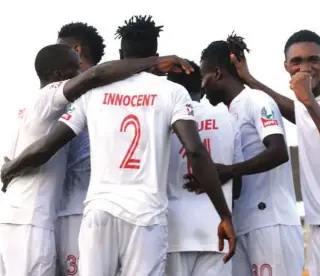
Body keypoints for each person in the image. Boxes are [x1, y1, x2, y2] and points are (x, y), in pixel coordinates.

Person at [2, 15, 236, 276]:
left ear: (121, 53)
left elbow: (49, 145)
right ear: (155, 54)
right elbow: (195, 151)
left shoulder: (92, 93)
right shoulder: (172, 92)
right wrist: (224, 214)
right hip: (146, 216)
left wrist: (10, 168)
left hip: (99, 213)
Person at [230, 29, 320, 276]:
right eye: (297, 61)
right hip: (317, 226)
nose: (306, 67)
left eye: (313, 59)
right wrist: (249, 79)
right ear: (286, 66)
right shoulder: (304, 105)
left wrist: (308, 102)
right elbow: (292, 110)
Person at [197, 33, 303, 276]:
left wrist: (228, 171)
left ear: (217, 73)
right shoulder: (225, 114)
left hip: (271, 224)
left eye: (203, 78)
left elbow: (278, 152)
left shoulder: (257, 100)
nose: (202, 89)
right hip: (243, 224)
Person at [165, 61, 242, 276]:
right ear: (201, 86)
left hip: (172, 233)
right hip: (217, 233)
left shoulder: (163, 119)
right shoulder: (227, 118)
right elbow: (237, 187)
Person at [55, 22, 106, 276]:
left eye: (59, 49)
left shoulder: (85, 88)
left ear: (76, 49)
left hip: (77, 208)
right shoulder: (112, 84)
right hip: (84, 208)